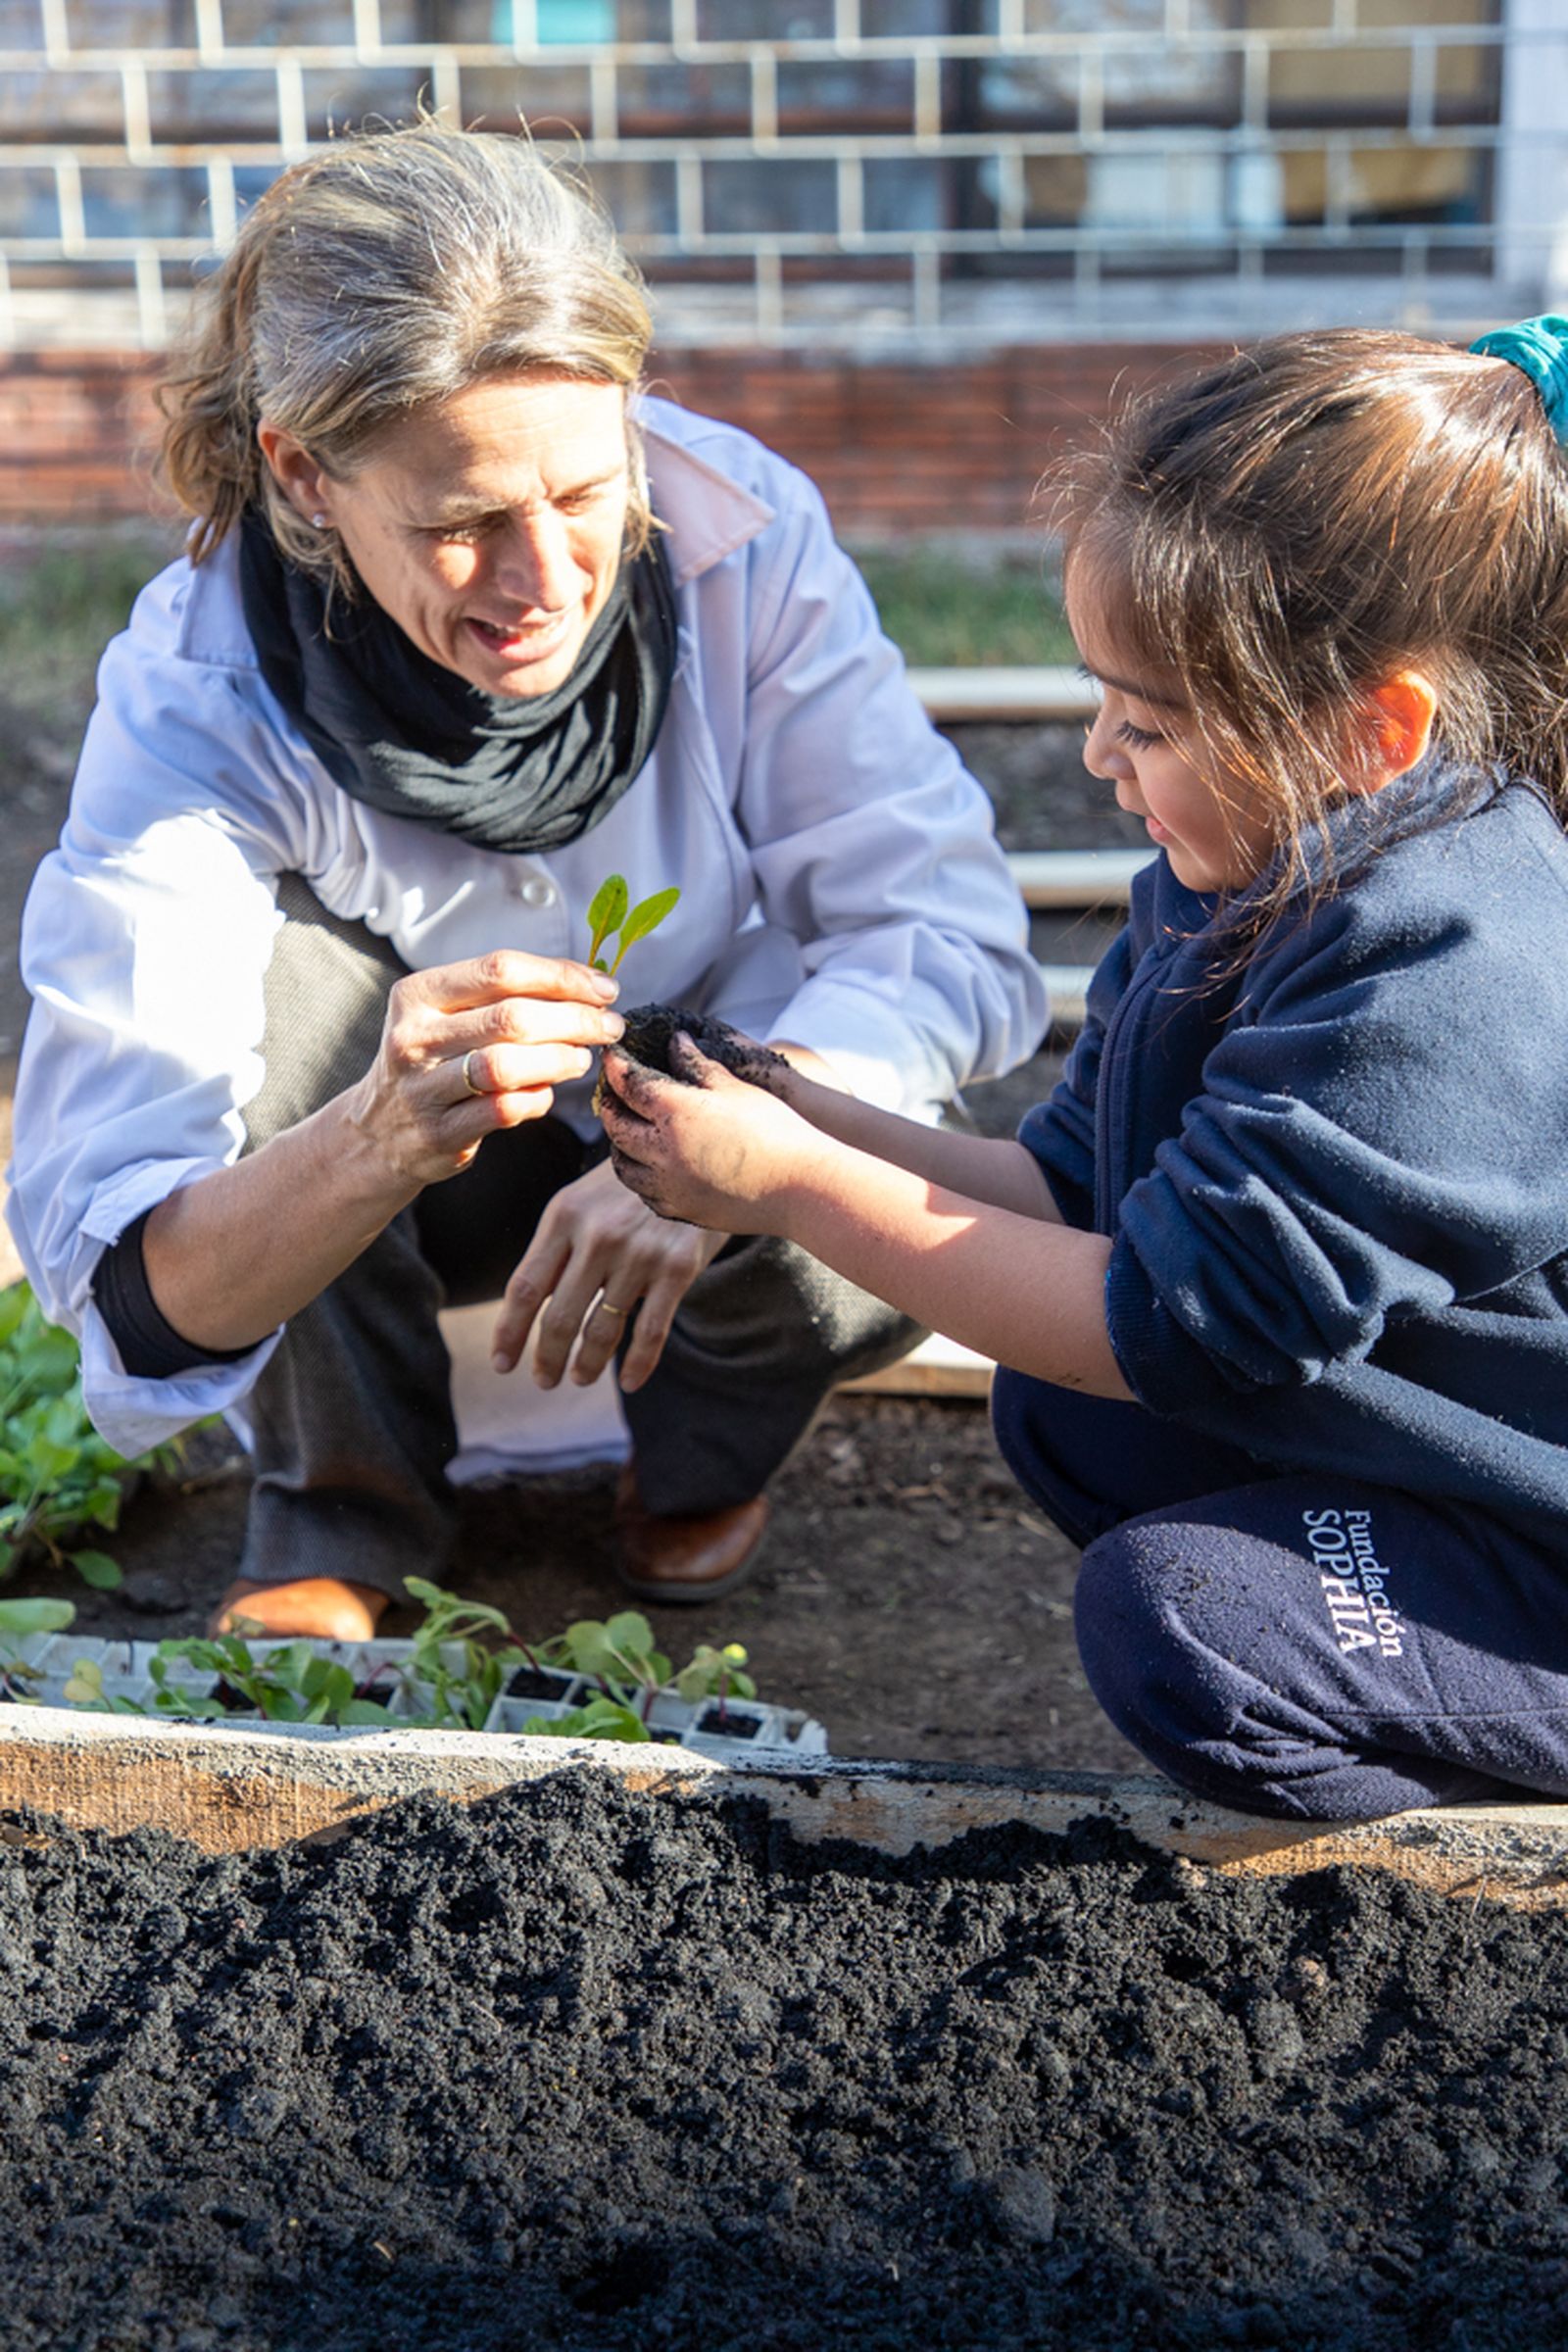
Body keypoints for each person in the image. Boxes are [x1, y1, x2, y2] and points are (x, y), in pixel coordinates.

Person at [5, 124, 1045, 1642]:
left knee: (892, 1141)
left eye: (582, 487)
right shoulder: (200, 691)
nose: (548, 576)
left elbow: (944, 932)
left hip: (705, 1184)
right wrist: (371, 1134)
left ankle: (705, 1445)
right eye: (461, 522)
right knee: (294, 990)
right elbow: (131, 1276)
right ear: (304, 471)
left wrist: (748, 1143)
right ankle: (343, 1504)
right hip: (420, 1215)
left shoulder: (742, 542)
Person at [601, 318, 1568, 1826]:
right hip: (1456, 1457)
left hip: (1545, 1545)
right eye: (1102, 696)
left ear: (1375, 730)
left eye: (1153, 720)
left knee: (1180, 1622)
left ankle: (1478, 1854)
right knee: (1065, 1410)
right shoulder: (1237, 864)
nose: (1102, 754)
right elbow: (1071, 1190)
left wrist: (796, 1190)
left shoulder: (1454, 968)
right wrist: (808, 1109)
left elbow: (1165, 1323)